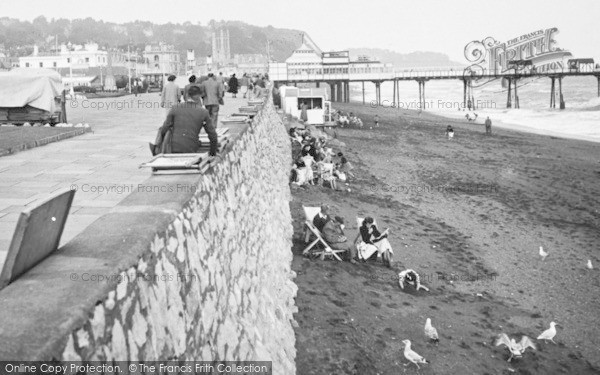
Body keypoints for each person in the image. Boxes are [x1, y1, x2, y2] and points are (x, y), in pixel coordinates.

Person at [158, 85, 218, 156]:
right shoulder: (203, 112)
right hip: (191, 147)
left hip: (173, 147)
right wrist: (213, 152)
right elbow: (213, 135)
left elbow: (164, 128)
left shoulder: (175, 108)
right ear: (199, 96)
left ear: (187, 95)